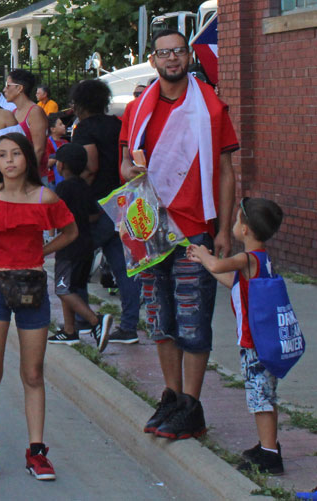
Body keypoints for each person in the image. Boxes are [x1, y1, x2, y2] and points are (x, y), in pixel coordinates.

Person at [120, 29, 238, 439]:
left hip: (195, 231)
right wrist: (130, 171)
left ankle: (191, 405)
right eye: (164, 53)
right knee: (160, 320)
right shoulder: (136, 109)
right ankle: (170, 398)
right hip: (151, 229)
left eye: (179, 51)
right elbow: (123, 168)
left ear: (188, 56)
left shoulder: (211, 106)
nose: (172, 59)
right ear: (152, 60)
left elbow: (225, 172)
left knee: (193, 320)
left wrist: (224, 229)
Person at [0, 132, 77, 481]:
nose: (9, 161)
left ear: (27, 158)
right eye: (2, 156)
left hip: (32, 287)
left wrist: (44, 251)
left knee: (33, 373)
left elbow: (71, 231)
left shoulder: (45, 196)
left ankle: (37, 452)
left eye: (15, 154)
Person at [187, 197, 284, 474]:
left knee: (260, 398)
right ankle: (268, 445)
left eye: (237, 219)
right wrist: (208, 263)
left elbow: (220, 267)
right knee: (265, 395)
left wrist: (204, 254)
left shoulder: (246, 258)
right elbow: (231, 281)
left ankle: (269, 456)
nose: (233, 223)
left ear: (245, 229)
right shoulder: (260, 260)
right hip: (263, 340)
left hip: (255, 343)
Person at [70, 78, 142, 344]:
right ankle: (130, 324)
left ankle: (82, 319)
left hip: (96, 203)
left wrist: (77, 196)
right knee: (124, 266)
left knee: (78, 261)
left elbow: (89, 167)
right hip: (122, 200)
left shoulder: (84, 129)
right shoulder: (118, 124)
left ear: (80, 104)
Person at [46, 143, 112, 349]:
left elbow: (56, 215)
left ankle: (95, 321)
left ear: (62, 165)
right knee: (72, 287)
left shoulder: (64, 188)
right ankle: (69, 330)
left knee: (63, 289)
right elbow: (94, 214)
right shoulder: (85, 186)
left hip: (69, 247)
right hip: (86, 244)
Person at [4, 69, 49, 183]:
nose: (4, 89)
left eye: (8, 85)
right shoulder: (14, 112)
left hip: (33, 178)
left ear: (19, 88)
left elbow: (39, 149)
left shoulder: (34, 112)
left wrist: (29, 174)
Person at [45, 113, 67, 187]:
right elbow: (46, 163)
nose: (64, 126)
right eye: (60, 124)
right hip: (53, 181)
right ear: (53, 129)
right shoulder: (48, 142)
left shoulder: (65, 142)